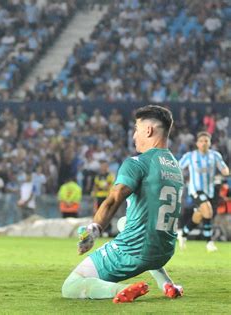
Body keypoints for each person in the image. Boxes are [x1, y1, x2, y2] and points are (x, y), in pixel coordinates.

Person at [62, 105, 184, 303]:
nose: (134, 135)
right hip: (164, 251)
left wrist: (94, 230)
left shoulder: (137, 163)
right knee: (123, 224)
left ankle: (123, 289)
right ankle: (167, 284)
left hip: (133, 251)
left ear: (148, 130)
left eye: (136, 129)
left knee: (71, 285)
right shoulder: (175, 166)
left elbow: (112, 200)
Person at [177, 131, 229, 252]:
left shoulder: (215, 155)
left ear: (210, 143)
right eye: (201, 141)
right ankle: (209, 242)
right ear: (197, 143)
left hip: (210, 191)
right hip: (195, 190)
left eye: (206, 141)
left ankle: (183, 234)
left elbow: (224, 168)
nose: (204, 143)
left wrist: (225, 171)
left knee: (199, 215)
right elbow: (178, 167)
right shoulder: (190, 156)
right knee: (208, 210)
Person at [91, 160, 115, 235]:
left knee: (107, 213)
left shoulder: (110, 175)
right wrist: (95, 196)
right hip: (99, 197)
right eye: (102, 166)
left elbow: (110, 186)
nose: (103, 167)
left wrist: (102, 187)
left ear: (107, 167)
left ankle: (108, 230)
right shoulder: (98, 176)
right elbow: (95, 187)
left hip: (107, 197)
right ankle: (98, 230)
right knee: (99, 214)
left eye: (104, 166)